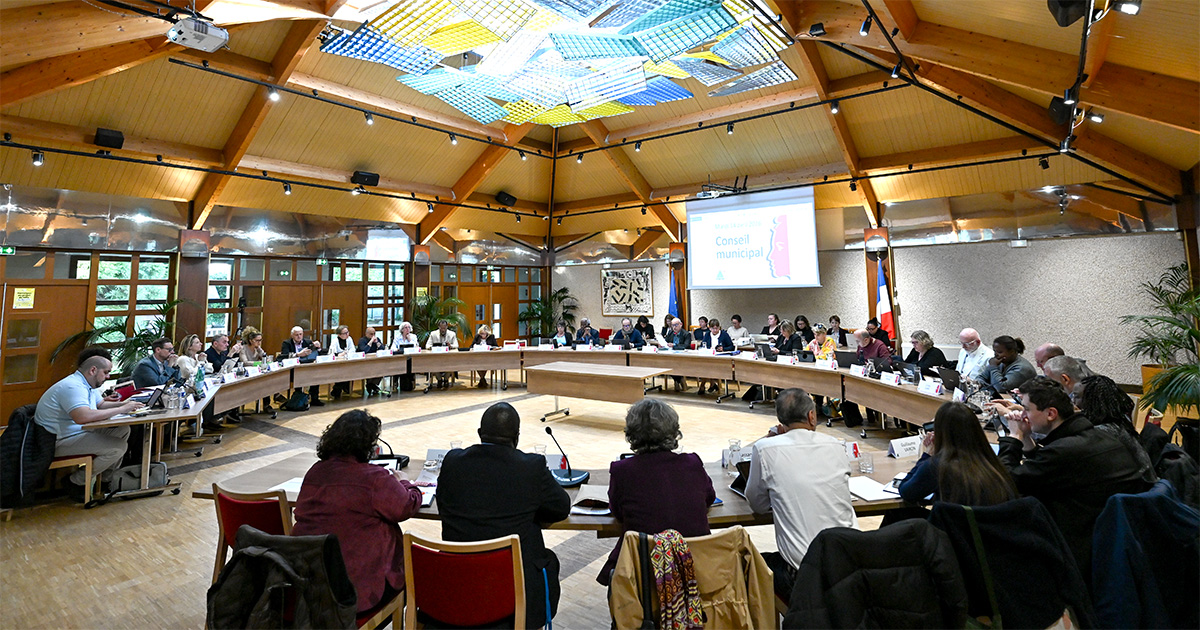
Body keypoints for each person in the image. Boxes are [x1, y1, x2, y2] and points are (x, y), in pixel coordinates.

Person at [994, 377, 1152, 582]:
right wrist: (1026, 438)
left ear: (1051, 413)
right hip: (1113, 534)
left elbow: (1007, 481)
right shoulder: (1092, 435)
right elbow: (1047, 468)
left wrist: (1013, 438)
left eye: (1026, 409)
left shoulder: (1066, 450)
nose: (1023, 415)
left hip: (1082, 545)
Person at [436, 402, 571, 629]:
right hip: (513, 592)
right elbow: (561, 507)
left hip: (456, 586)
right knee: (547, 560)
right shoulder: (531, 467)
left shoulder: (452, 462)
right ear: (516, 437)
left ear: (479, 434)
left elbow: (443, 501)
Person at [292, 409, 423, 614]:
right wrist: (406, 483)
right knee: (415, 569)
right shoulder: (374, 479)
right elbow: (405, 506)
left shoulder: (315, 471)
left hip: (311, 584)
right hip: (358, 591)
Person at [744, 388, 857, 599]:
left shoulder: (765, 448)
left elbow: (758, 506)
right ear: (811, 416)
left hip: (803, 575)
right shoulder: (835, 445)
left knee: (748, 563)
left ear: (779, 419)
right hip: (850, 564)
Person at [598, 399, 715, 585]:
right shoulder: (692, 463)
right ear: (673, 431)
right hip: (697, 573)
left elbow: (618, 511)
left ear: (632, 434)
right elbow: (709, 498)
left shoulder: (622, 470)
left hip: (643, 576)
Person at [34, 348, 143, 500]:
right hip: (57, 441)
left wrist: (128, 404)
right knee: (118, 448)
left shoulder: (88, 384)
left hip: (76, 432)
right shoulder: (73, 386)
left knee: (122, 430)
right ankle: (74, 481)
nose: (108, 376)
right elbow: (83, 417)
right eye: (106, 372)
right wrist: (122, 408)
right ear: (93, 370)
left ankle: (105, 479)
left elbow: (100, 405)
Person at [897, 402, 1018, 505]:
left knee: (898, 514)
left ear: (941, 433)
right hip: (986, 528)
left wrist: (927, 455)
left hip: (955, 529)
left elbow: (906, 492)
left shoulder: (938, 465)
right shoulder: (990, 460)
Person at [1071, 374, 1156, 485]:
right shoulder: (1118, 420)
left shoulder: (1105, 431)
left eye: (1076, 397)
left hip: (1140, 489)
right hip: (1140, 483)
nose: (1073, 401)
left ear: (1091, 401)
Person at [177, 333, 222, 432]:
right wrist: (201, 363)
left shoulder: (198, 357)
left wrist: (204, 361)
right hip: (188, 389)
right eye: (197, 342)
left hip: (199, 387)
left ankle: (211, 419)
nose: (201, 344)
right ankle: (207, 420)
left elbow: (210, 369)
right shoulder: (183, 359)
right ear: (189, 346)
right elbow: (191, 374)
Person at [281, 326, 325, 406]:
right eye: (296, 335)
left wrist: (318, 347)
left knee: (315, 375)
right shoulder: (287, 343)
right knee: (299, 377)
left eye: (300, 334)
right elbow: (284, 356)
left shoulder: (307, 342)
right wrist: (298, 354)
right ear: (292, 335)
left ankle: (315, 398)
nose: (299, 336)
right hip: (294, 368)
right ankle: (298, 399)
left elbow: (319, 353)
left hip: (307, 366)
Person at [239, 329, 274, 412]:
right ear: (251, 340)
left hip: (256, 373)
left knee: (267, 382)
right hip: (246, 374)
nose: (259, 342)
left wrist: (261, 351)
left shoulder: (257, 349)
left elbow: (267, 359)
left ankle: (266, 405)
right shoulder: (243, 349)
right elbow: (245, 362)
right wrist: (258, 363)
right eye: (257, 340)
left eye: (260, 340)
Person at [807, 324, 839, 414]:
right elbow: (805, 352)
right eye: (814, 334)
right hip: (814, 370)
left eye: (818, 335)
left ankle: (819, 404)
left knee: (818, 382)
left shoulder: (829, 341)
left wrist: (815, 357)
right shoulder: (813, 342)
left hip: (827, 371)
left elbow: (826, 356)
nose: (816, 337)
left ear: (824, 334)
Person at [697, 318, 734, 395]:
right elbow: (702, 345)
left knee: (708, 367)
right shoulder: (707, 334)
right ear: (709, 328)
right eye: (712, 328)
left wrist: (723, 349)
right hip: (709, 357)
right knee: (704, 366)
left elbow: (731, 347)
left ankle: (703, 385)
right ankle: (712, 384)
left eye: (716, 328)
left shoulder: (724, 334)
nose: (715, 330)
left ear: (719, 327)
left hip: (721, 358)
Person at [661, 318, 693, 392]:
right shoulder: (671, 333)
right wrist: (664, 344)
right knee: (667, 364)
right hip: (671, 356)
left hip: (683, 357)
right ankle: (679, 380)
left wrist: (674, 346)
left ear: (681, 325)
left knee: (674, 365)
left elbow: (686, 346)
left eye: (676, 325)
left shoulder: (686, 334)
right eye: (672, 325)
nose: (674, 327)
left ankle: (678, 381)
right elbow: (666, 342)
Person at [425, 320, 459, 389]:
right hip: (436, 357)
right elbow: (427, 345)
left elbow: (456, 345)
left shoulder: (452, 334)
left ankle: (446, 380)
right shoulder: (433, 334)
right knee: (433, 364)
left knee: (451, 364)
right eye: (441, 328)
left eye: (444, 328)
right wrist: (434, 347)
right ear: (439, 327)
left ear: (447, 327)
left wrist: (451, 346)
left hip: (448, 357)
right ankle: (439, 380)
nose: (443, 330)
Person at [383, 323, 415, 395]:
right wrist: (397, 349)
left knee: (409, 365)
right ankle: (395, 382)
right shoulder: (397, 337)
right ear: (402, 329)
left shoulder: (413, 337)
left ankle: (409, 383)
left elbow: (416, 347)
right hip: (400, 359)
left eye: (409, 328)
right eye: (405, 328)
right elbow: (393, 348)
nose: (407, 329)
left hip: (410, 358)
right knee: (397, 365)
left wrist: (410, 340)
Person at [327, 325, 355, 400]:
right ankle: (337, 389)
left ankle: (340, 389)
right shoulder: (335, 341)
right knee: (341, 373)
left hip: (347, 361)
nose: (347, 334)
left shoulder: (349, 339)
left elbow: (352, 350)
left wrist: (346, 353)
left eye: (347, 332)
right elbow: (332, 353)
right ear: (339, 334)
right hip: (337, 363)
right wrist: (340, 354)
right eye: (345, 333)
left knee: (349, 371)